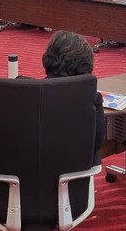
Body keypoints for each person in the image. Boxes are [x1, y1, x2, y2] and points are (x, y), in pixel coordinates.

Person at [41, 31, 104, 164]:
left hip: (27, 170)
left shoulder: (25, 90)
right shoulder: (92, 98)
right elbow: (97, 143)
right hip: (75, 171)